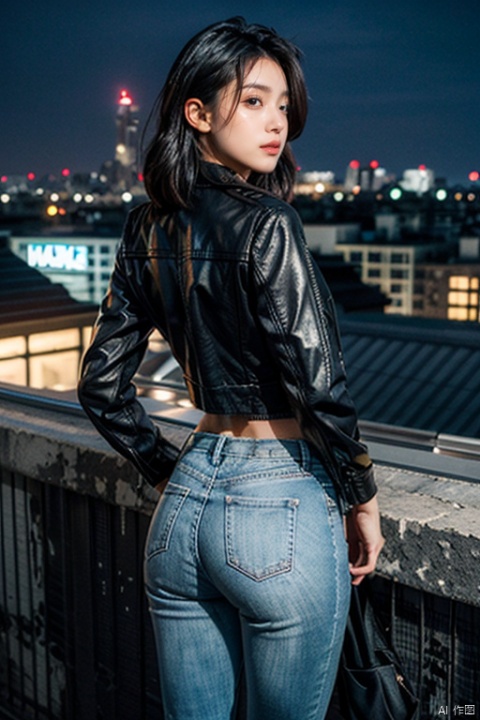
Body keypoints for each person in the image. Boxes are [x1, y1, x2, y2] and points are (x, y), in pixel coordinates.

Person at [78, 17, 384, 720]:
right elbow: (319, 385)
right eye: (253, 100)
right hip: (278, 501)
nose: (276, 122)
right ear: (197, 112)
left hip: (184, 508)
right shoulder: (269, 223)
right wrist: (361, 495)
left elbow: (101, 386)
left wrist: (166, 468)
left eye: (283, 105)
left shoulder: (144, 227)